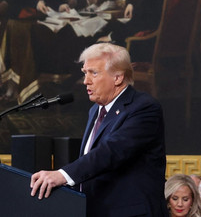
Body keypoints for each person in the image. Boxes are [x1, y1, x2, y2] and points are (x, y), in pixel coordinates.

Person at [29, 43, 167, 216]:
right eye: (85, 73)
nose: (86, 81)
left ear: (117, 77)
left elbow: (112, 151)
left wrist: (63, 175)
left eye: (94, 73)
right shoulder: (96, 110)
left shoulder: (144, 108)